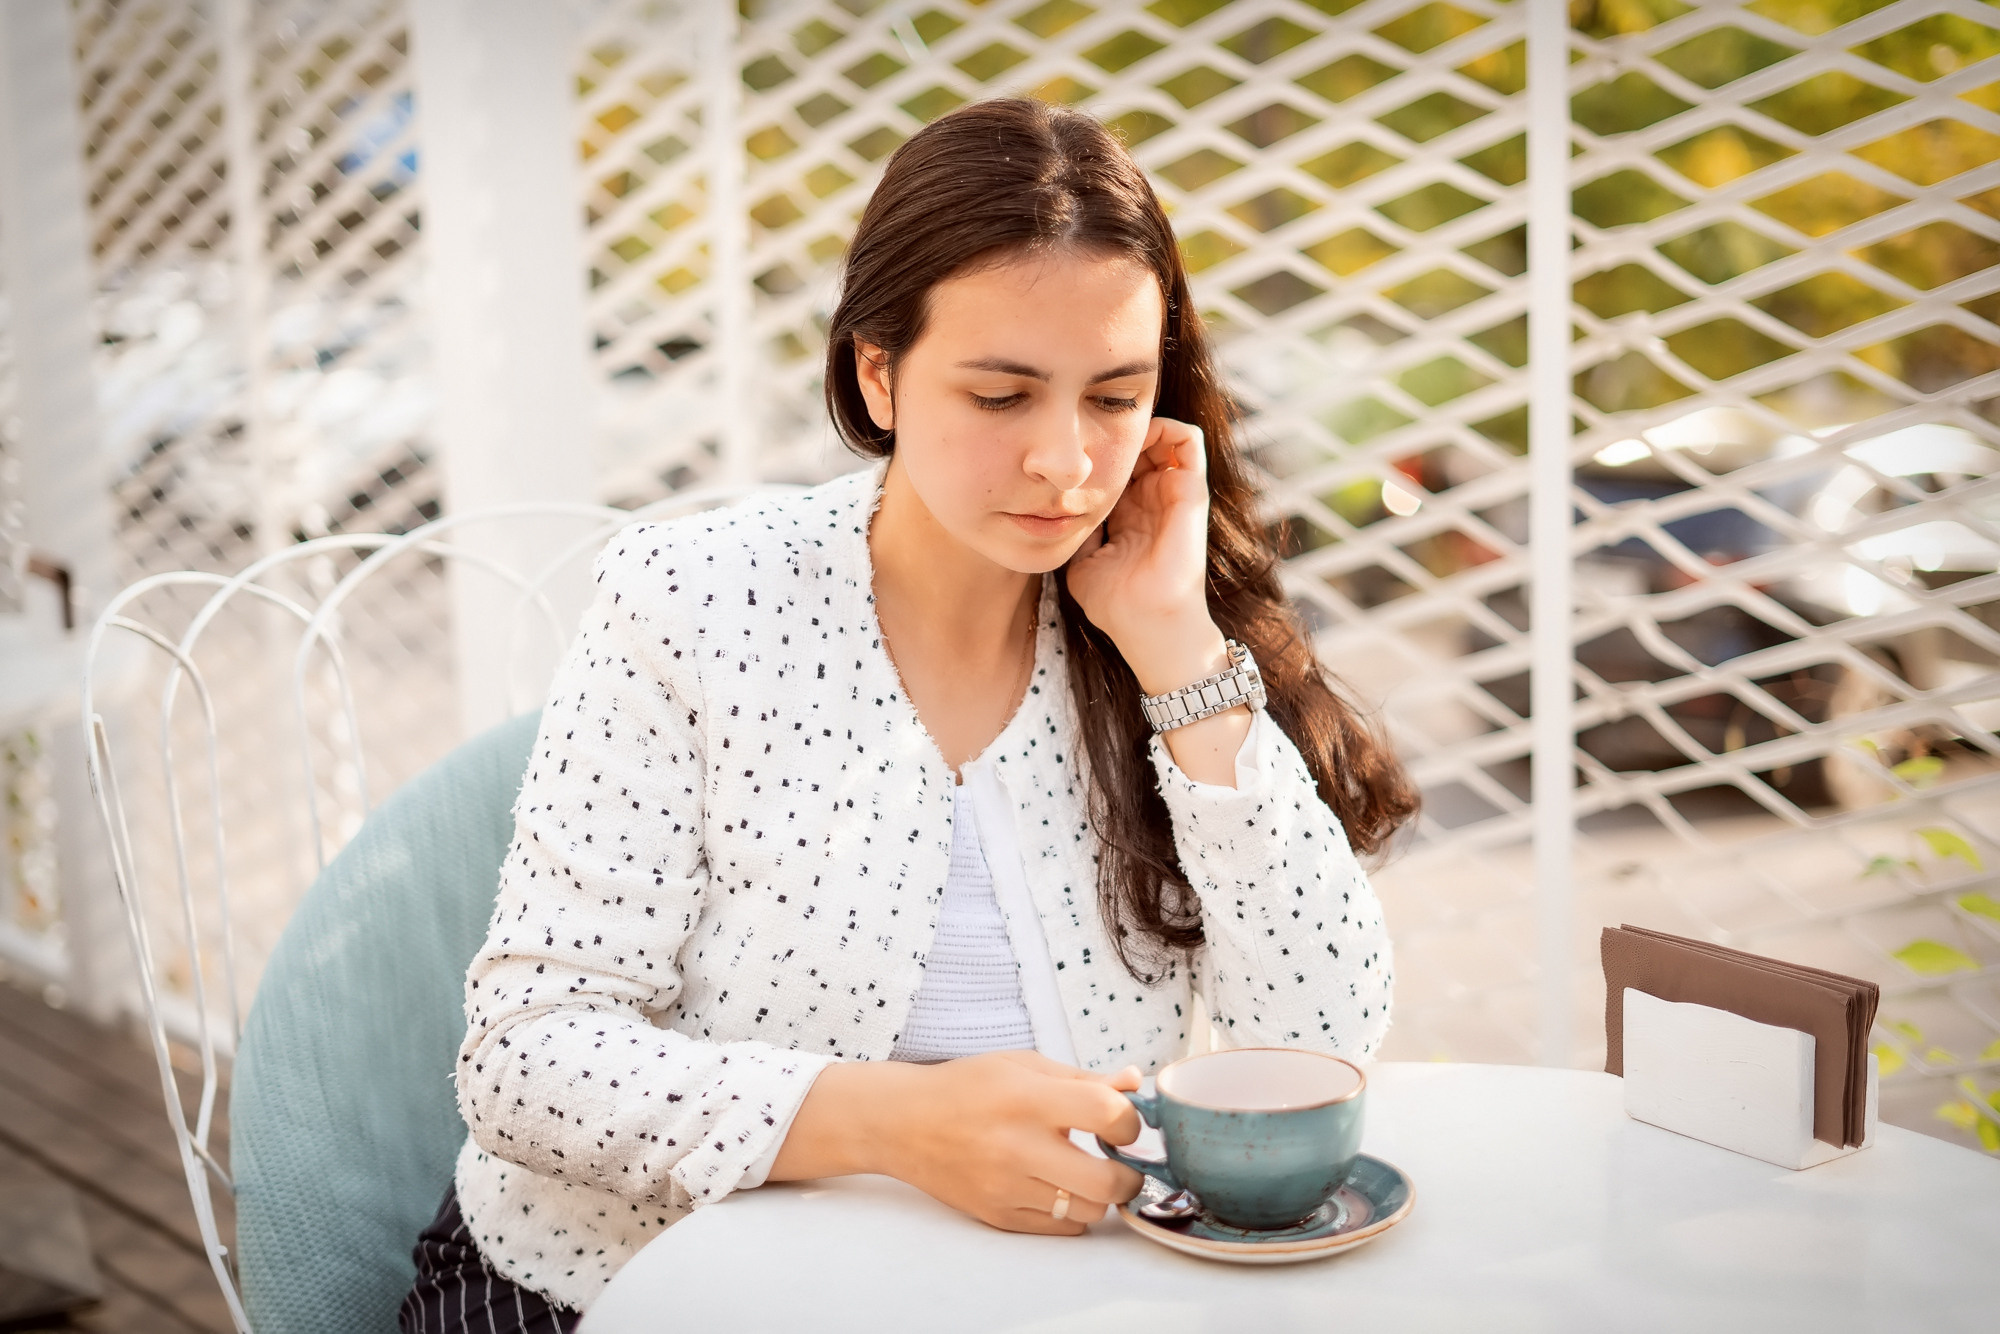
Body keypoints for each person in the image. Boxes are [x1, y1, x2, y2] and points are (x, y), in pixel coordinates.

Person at [399, 96, 1417, 1333]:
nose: (1064, 463)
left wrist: (1173, 648)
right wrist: (895, 1122)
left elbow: (1314, 1044)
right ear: (877, 374)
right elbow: (525, 1058)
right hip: (624, 1285)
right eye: (1000, 396)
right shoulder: (689, 598)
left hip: (1028, 1295)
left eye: (1111, 397)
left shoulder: (1142, 630)